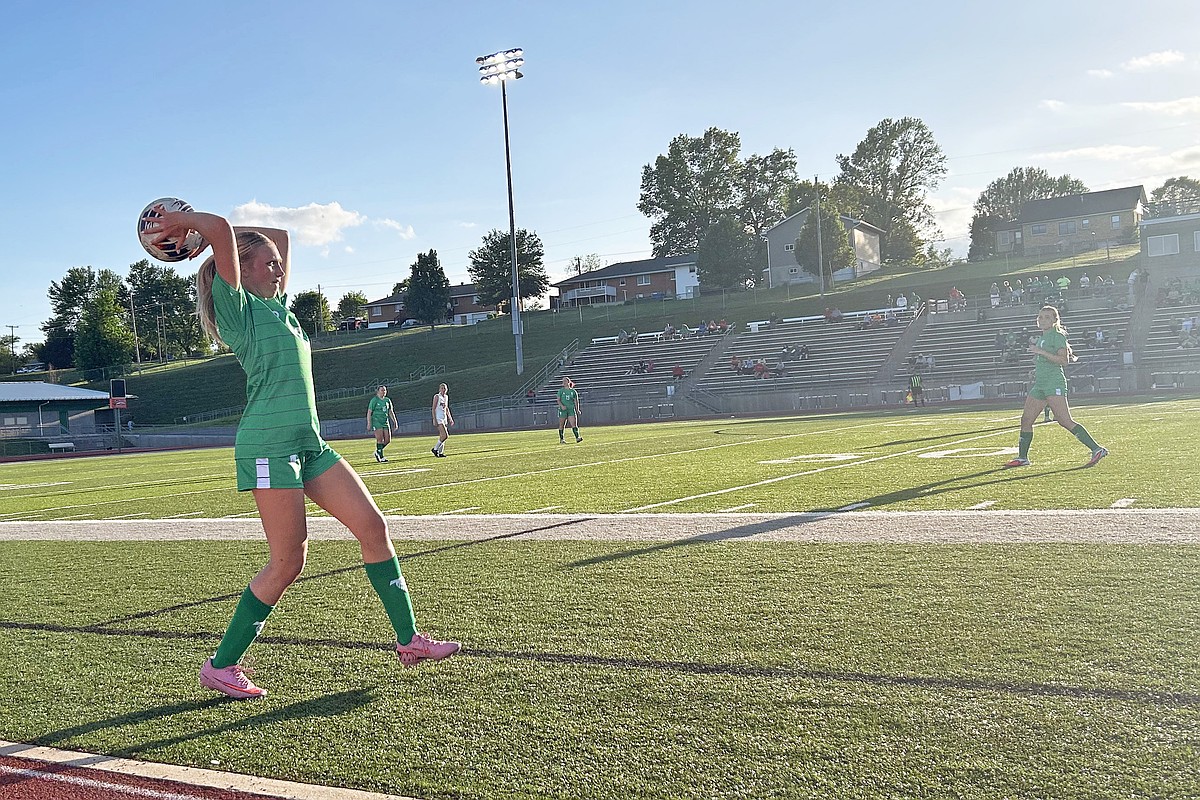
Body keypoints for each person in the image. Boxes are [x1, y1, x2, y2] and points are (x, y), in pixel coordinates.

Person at [151, 205, 457, 700]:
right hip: (269, 444)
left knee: (374, 528)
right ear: (241, 270)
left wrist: (229, 236)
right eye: (267, 263)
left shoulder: (281, 309)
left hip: (309, 444)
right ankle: (221, 665)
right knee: (288, 561)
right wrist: (189, 223)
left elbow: (279, 234)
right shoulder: (240, 309)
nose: (278, 268)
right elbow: (225, 234)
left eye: (277, 263)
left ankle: (409, 641)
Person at [1004, 305, 1108, 468]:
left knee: (1064, 420)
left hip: (1054, 383)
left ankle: (1097, 449)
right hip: (1041, 384)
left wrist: (1040, 352)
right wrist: (1035, 370)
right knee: (1026, 419)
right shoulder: (1042, 337)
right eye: (1040, 317)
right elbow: (1045, 360)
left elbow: (1063, 361)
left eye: (1047, 317)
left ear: (1054, 320)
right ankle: (1022, 457)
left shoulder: (1057, 336)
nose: (1042, 320)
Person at [366, 385, 398, 462]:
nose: (384, 392)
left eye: (385, 390)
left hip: (385, 421)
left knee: (387, 440)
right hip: (377, 421)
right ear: (378, 391)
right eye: (382, 390)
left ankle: (377, 451)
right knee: (380, 439)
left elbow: (390, 411)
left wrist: (395, 422)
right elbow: (369, 412)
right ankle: (381, 456)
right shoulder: (374, 400)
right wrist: (369, 423)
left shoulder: (387, 400)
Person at [556, 376, 582, 443]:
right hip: (563, 410)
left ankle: (577, 437)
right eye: (563, 381)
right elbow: (558, 400)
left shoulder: (573, 391)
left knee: (574, 423)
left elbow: (576, 401)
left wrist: (577, 409)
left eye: (565, 381)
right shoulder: (561, 391)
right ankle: (562, 439)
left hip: (571, 409)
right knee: (562, 424)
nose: (564, 383)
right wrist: (562, 406)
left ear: (568, 382)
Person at [431, 382, 453, 457]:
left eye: (445, 388)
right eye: (442, 388)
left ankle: (440, 452)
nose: (443, 390)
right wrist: (434, 419)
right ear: (439, 389)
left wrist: (450, 418)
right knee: (445, 435)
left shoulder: (446, 397)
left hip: (444, 418)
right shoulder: (437, 396)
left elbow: (446, 408)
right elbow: (433, 408)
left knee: (442, 435)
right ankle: (435, 449)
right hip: (438, 417)